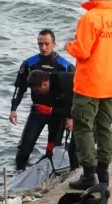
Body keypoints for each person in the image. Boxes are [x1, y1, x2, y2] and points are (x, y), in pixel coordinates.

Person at [65, 0, 112, 191]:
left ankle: (88, 175)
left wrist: (68, 46)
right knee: (105, 129)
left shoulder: (90, 18)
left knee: (83, 128)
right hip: (110, 84)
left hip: (89, 84)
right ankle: (104, 175)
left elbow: (82, 51)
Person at [10, 30, 73, 171]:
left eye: (47, 44)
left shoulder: (65, 66)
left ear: (54, 44)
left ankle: (47, 179)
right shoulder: (29, 63)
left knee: (53, 150)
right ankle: (18, 173)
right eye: (40, 44)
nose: (43, 47)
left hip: (58, 113)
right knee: (24, 148)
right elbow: (20, 88)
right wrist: (14, 109)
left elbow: (74, 94)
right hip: (38, 111)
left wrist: (70, 117)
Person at [26, 68, 77, 172]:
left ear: (44, 84)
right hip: (76, 109)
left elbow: (77, 103)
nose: (37, 93)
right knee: (72, 148)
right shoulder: (51, 89)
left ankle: (82, 173)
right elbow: (56, 118)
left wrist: (71, 117)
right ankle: (73, 171)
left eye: (37, 90)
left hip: (91, 103)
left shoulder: (64, 81)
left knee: (77, 146)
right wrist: (50, 143)